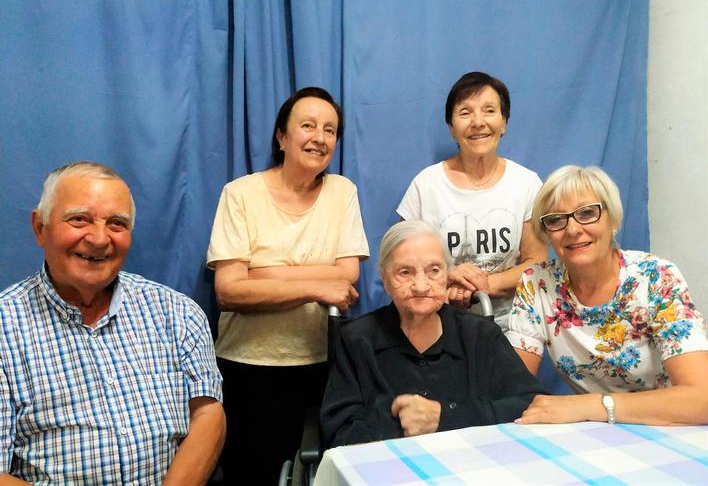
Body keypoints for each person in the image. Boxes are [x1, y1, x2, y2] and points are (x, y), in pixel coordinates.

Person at [0, 162, 225, 485]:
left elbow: (208, 414)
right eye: (79, 219)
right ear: (40, 227)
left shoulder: (177, 313)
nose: (99, 238)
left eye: (117, 224)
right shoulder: (5, 327)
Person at [207, 87, 369, 483]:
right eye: (308, 126)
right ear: (282, 136)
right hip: (247, 367)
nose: (319, 137)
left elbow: (347, 275)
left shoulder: (342, 191)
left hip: (320, 365)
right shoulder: (240, 193)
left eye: (330, 130)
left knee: (317, 474)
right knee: (252, 475)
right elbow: (229, 292)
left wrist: (263, 275)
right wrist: (315, 286)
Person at [507, 165, 708, 425]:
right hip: (599, 436)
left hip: (672, 427)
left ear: (613, 220)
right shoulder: (536, 284)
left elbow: (701, 399)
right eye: (556, 219)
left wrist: (593, 405)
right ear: (546, 233)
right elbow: (511, 386)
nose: (572, 229)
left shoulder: (656, 277)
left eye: (588, 213)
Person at [320, 221, 546, 448]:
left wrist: (445, 416)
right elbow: (339, 430)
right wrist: (401, 427)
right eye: (405, 272)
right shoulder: (357, 341)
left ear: (447, 274)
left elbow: (529, 404)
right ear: (385, 279)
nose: (421, 286)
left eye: (434, 271)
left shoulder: (481, 335)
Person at [397, 72, 547, 331]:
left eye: (489, 111)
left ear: (504, 123)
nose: (478, 122)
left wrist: (488, 284)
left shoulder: (527, 183)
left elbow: (536, 262)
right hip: (438, 322)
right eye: (465, 113)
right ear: (451, 128)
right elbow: (400, 263)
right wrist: (446, 278)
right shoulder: (425, 185)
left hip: (511, 325)